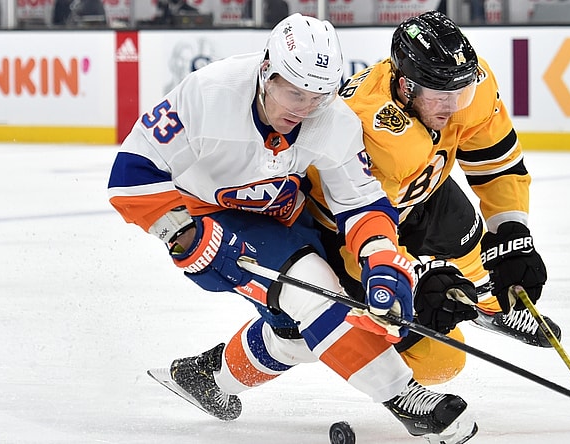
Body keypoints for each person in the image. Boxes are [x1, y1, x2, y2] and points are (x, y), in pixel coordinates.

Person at [107, 13, 477, 444]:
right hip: (209, 216)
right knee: (309, 288)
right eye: (294, 92)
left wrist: (381, 259)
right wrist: (184, 234)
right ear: (267, 71)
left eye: (318, 96)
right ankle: (404, 398)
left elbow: (359, 202)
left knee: (303, 332)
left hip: (285, 214)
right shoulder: (209, 94)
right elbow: (130, 176)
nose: (304, 109)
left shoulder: (334, 120)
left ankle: (209, 378)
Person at [306, 10, 562, 385]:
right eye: (443, 95)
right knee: (442, 361)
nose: (456, 105)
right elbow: (364, 227)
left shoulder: (468, 90)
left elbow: (498, 166)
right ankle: (222, 369)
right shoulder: (366, 127)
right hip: (346, 234)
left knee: (475, 243)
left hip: (420, 191)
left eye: (463, 91)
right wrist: (417, 280)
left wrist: (511, 230)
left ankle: (492, 306)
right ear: (406, 87)